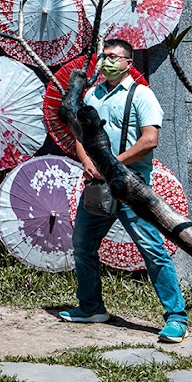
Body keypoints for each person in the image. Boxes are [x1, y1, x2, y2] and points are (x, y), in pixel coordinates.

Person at [58, 38, 188, 343]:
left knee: (153, 250)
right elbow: (80, 131)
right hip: (98, 186)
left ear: (129, 63)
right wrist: (88, 160)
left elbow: (149, 140)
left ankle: (176, 318)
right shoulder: (93, 94)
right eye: (104, 56)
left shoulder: (142, 95)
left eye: (114, 57)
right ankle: (91, 308)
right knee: (83, 244)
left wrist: (110, 163)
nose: (107, 61)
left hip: (132, 187)